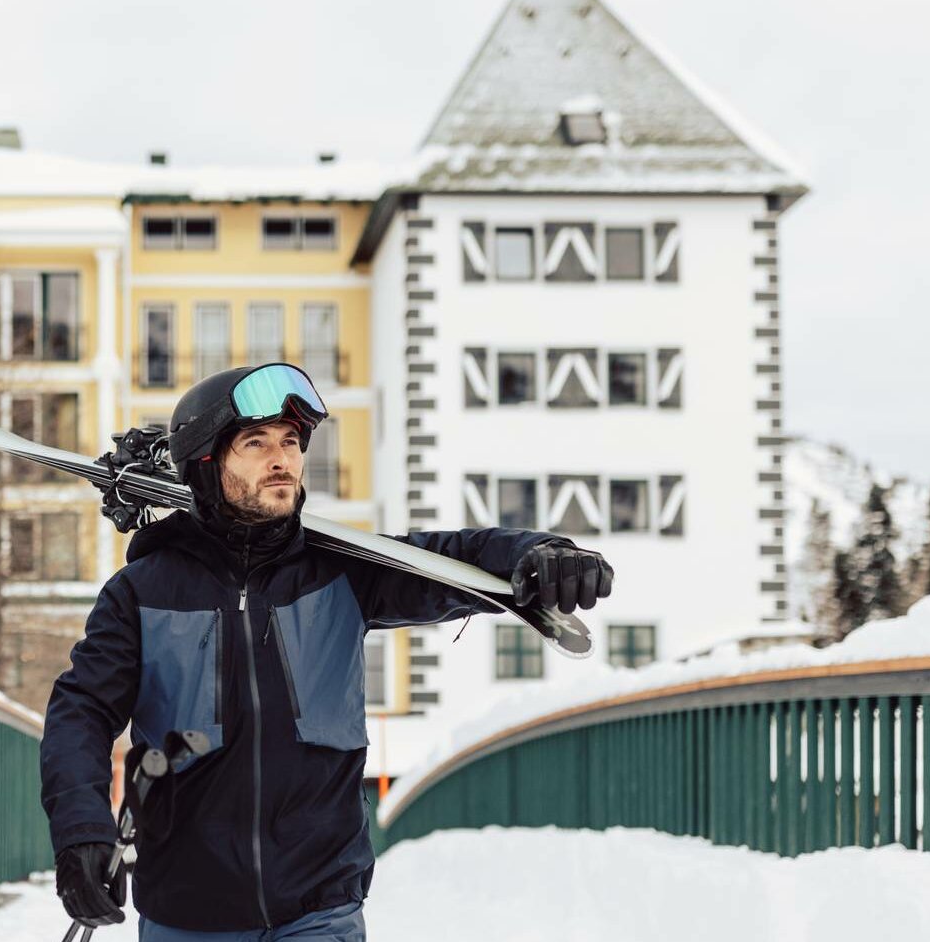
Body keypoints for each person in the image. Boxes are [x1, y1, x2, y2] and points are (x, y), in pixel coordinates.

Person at [40, 363, 615, 940]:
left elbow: (454, 559)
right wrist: (81, 832)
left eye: (291, 443)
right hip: (189, 915)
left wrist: (540, 554)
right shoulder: (142, 593)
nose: (281, 460)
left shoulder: (341, 572)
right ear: (208, 465)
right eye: (256, 443)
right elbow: (81, 714)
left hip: (320, 913)